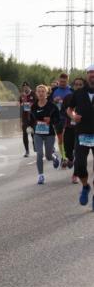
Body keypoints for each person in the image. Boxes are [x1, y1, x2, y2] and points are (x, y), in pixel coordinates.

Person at [67, 65, 94, 208]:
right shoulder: (78, 93)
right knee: (80, 165)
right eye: (90, 72)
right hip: (82, 134)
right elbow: (69, 109)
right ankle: (85, 186)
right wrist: (73, 115)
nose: (92, 75)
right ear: (86, 75)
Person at [29, 85, 61, 184]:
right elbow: (31, 119)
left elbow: (58, 119)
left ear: (47, 94)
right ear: (36, 93)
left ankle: (54, 157)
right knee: (39, 154)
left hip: (49, 133)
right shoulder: (34, 106)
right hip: (38, 133)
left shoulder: (52, 106)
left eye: (43, 91)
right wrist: (30, 126)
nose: (41, 93)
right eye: (39, 91)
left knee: (48, 156)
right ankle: (41, 176)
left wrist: (51, 120)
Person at [49, 72, 73, 167]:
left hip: (69, 117)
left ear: (67, 81)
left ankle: (70, 154)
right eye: (61, 81)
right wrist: (53, 101)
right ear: (59, 81)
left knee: (69, 139)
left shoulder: (71, 90)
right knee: (60, 138)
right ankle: (63, 158)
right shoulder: (54, 90)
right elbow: (48, 103)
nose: (62, 83)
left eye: (64, 81)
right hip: (57, 117)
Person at [63, 78, 85, 182]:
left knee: (79, 153)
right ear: (73, 86)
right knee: (68, 150)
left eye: (80, 85)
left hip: (82, 130)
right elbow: (63, 111)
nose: (78, 86)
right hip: (69, 127)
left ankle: (75, 174)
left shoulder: (88, 98)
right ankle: (70, 159)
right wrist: (71, 117)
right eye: (76, 85)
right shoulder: (68, 97)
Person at [18, 81, 35, 156]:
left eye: (26, 87)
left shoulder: (34, 94)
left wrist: (31, 105)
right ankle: (27, 151)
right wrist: (20, 119)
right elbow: (20, 106)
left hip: (33, 117)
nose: (25, 88)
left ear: (29, 87)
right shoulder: (22, 96)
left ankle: (35, 146)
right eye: (24, 87)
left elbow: (37, 103)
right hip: (25, 117)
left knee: (33, 133)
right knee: (25, 134)